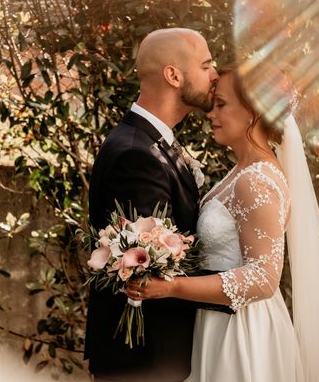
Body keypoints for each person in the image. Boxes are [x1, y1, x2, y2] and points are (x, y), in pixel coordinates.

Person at [126, 64, 319, 382]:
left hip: (244, 334)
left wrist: (172, 287)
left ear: (253, 112)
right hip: (219, 323)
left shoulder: (255, 180)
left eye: (221, 104)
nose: (211, 114)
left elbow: (263, 278)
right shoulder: (241, 174)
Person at [85, 28, 231, 382]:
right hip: (145, 357)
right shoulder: (138, 154)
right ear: (173, 75)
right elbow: (150, 269)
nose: (215, 75)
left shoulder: (150, 143)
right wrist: (239, 288)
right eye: (206, 64)